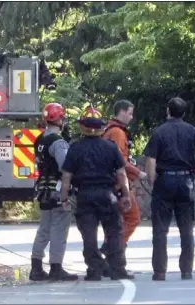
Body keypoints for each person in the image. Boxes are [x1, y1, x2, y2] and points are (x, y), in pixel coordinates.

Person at [143, 97, 195, 281]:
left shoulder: (159, 132)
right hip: (186, 182)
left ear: (168, 111)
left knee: (160, 230)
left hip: (164, 182)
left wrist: (152, 180)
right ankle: (186, 271)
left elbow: (151, 160)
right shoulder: (192, 131)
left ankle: (159, 272)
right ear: (183, 113)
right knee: (186, 229)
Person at [60, 106, 134, 281]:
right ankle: (117, 270)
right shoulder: (110, 147)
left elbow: (66, 177)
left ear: (82, 127)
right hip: (107, 195)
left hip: (84, 195)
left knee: (88, 234)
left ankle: (94, 270)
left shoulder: (75, 148)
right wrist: (125, 195)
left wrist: (64, 198)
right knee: (113, 232)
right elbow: (121, 174)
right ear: (101, 126)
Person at [28, 103, 78, 282]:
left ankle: (36, 267)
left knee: (44, 228)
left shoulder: (39, 140)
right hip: (57, 191)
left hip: (43, 190)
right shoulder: (59, 143)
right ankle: (56, 267)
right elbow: (66, 169)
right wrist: (66, 194)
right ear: (60, 119)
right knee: (59, 229)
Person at [99, 100, 147, 271]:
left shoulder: (107, 131)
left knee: (116, 222)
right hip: (119, 184)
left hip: (109, 183)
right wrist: (138, 173)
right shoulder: (118, 133)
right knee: (132, 218)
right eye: (130, 113)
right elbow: (120, 161)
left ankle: (113, 259)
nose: (132, 117)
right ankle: (111, 249)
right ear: (121, 112)